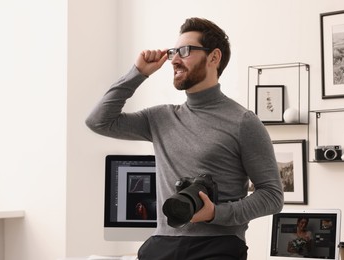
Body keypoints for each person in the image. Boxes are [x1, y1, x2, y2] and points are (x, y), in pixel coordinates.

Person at [86, 17, 284, 260]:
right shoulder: (160, 117)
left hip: (217, 245)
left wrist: (215, 213)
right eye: (173, 52)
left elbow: (272, 196)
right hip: (162, 244)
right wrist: (138, 73)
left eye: (185, 51)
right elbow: (98, 121)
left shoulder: (243, 122)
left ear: (214, 57)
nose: (175, 60)